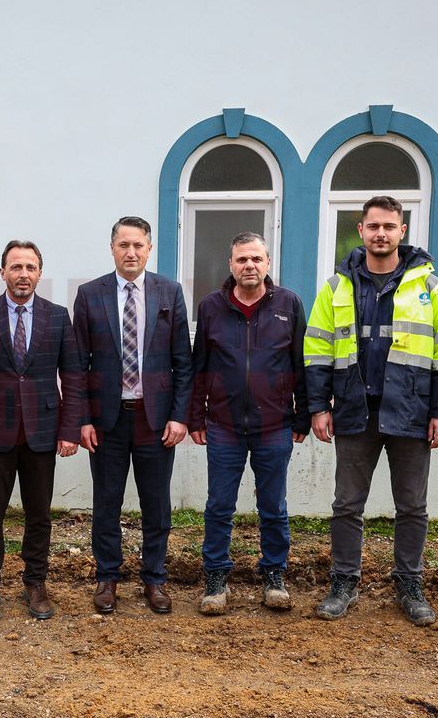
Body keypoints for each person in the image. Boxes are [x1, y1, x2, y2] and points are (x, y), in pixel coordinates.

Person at [304, 195, 438, 627]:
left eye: (389, 226)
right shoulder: (336, 287)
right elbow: (316, 349)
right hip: (355, 409)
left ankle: (409, 585)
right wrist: (318, 406)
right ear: (361, 230)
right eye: (373, 226)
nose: (381, 234)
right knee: (346, 505)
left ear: (402, 231)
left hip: (410, 410)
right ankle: (343, 583)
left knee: (412, 506)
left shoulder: (429, 286)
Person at [0, 240, 84, 622]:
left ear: (39, 273)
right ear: (3, 273)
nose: (23, 274)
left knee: (39, 515)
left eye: (30, 267)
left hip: (42, 432)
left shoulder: (57, 316)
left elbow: (73, 377)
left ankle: (36, 583)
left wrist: (70, 429)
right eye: (16, 267)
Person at [72, 216, 192, 614]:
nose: (131, 252)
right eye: (123, 245)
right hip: (106, 420)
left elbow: (183, 361)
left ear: (149, 249)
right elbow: (78, 365)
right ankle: (107, 578)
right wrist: (84, 419)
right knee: (106, 503)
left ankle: (154, 579)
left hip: (154, 420)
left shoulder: (169, 292)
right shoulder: (90, 295)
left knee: (156, 504)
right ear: (112, 248)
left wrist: (179, 416)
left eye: (138, 245)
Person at [189, 232, 309, 615]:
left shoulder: (289, 304)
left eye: (256, 259)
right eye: (242, 259)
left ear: (268, 263)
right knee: (218, 506)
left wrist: (303, 414)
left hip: (274, 425)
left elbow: (300, 364)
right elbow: (199, 367)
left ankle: (274, 575)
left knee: (273, 506)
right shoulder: (211, 307)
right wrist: (195, 416)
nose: (249, 266)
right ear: (231, 265)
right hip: (223, 425)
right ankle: (216, 578)